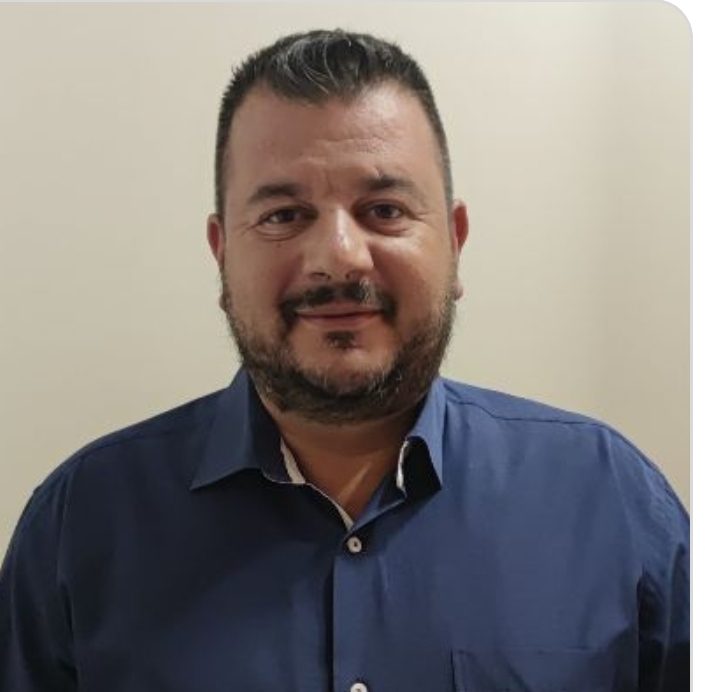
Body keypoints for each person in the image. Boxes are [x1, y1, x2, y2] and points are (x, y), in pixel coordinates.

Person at [0, 29, 688, 692]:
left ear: (454, 242)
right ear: (222, 252)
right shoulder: (81, 524)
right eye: (283, 215)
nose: (337, 256)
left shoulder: (611, 503)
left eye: (383, 210)